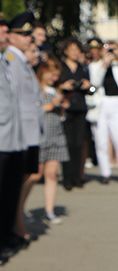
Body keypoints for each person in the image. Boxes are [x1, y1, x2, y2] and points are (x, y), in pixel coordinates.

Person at [7, 13, 43, 243]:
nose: (28, 38)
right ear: (11, 36)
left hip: (28, 132)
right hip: (19, 133)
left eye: (30, 34)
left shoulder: (21, 61)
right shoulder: (11, 60)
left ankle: (15, 221)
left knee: (26, 177)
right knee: (19, 180)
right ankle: (15, 224)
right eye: (23, 34)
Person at [87, 39, 118, 185]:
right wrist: (104, 65)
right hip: (101, 104)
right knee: (101, 141)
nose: (109, 52)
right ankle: (105, 173)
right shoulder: (95, 65)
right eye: (106, 49)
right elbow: (95, 83)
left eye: (111, 49)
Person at [0, 17, 27, 261]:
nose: (5, 31)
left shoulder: (3, 61)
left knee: (9, 190)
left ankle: (6, 234)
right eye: (1, 28)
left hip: (11, 138)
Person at [36, 59, 69, 224]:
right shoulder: (36, 89)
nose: (54, 78)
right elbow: (34, 111)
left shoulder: (57, 90)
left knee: (52, 175)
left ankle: (49, 211)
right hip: (40, 134)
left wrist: (63, 106)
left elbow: (60, 115)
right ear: (42, 72)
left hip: (56, 134)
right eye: (52, 74)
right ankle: (19, 209)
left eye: (57, 75)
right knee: (35, 175)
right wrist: (50, 105)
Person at [58, 38, 91, 190]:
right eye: (72, 50)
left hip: (80, 108)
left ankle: (77, 176)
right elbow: (52, 85)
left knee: (78, 144)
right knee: (67, 144)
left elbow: (92, 90)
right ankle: (67, 178)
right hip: (66, 109)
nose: (75, 53)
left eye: (77, 50)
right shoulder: (61, 67)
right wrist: (62, 86)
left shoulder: (82, 68)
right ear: (66, 52)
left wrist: (88, 86)